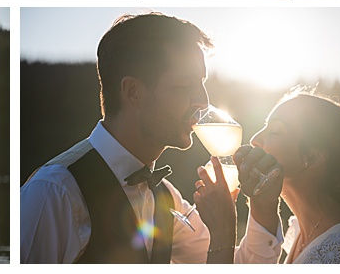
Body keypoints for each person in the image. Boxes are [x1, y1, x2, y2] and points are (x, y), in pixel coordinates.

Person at [20, 13, 283, 263]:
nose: (203, 101)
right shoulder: (54, 193)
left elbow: (234, 263)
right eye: (184, 86)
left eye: (202, 83)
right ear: (134, 92)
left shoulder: (166, 196)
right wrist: (223, 231)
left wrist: (263, 207)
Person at [196, 91, 340, 264]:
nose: (254, 139)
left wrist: (222, 230)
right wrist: (261, 207)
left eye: (275, 131)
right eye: (264, 127)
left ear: (312, 157)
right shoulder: (303, 231)